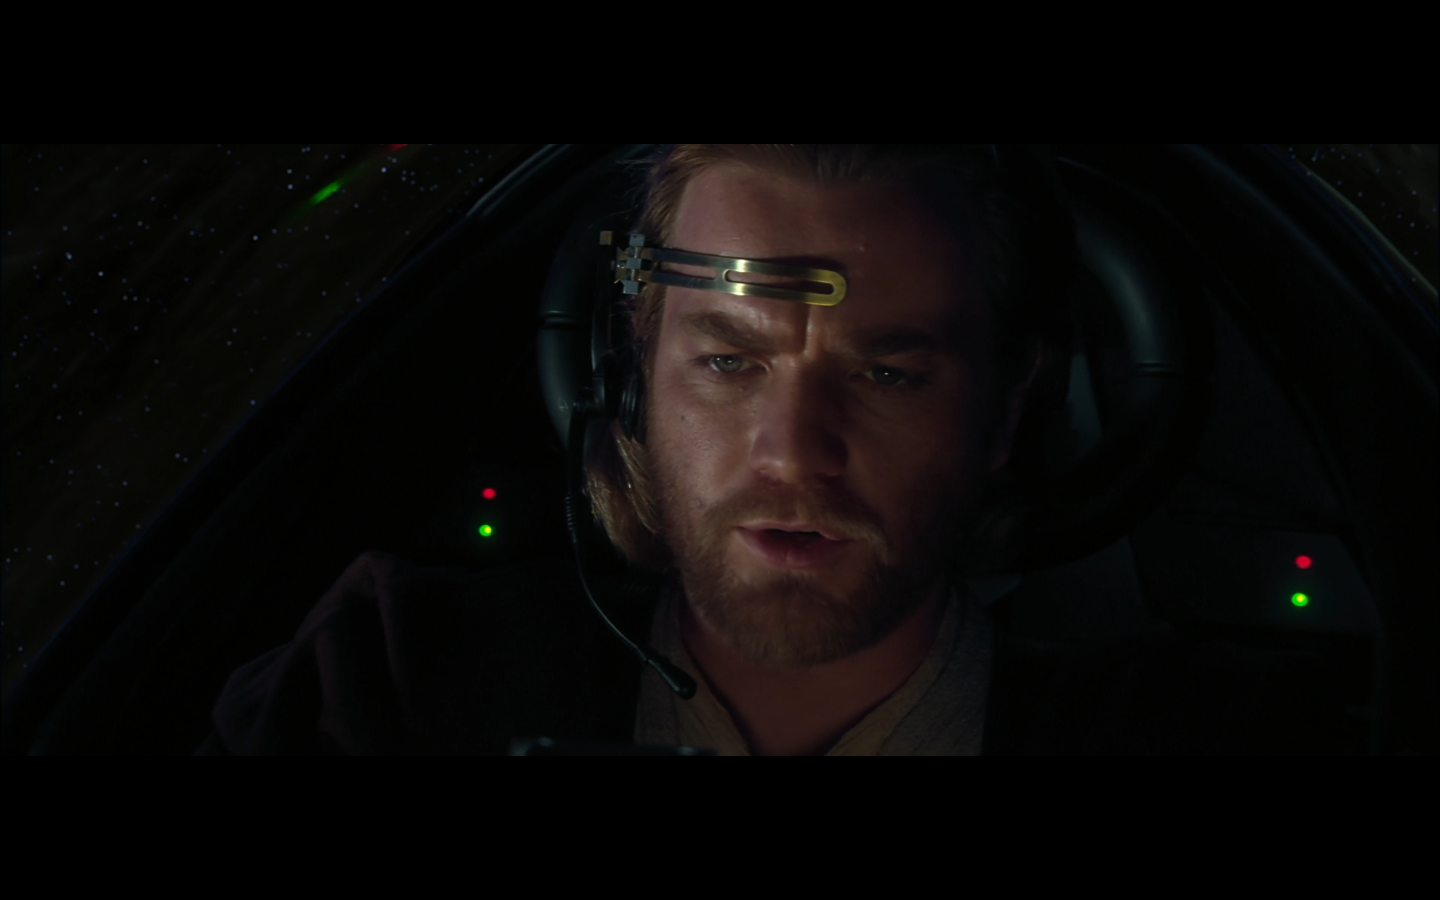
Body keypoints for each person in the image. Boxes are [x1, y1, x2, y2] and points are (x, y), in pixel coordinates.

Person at [204, 145, 1339, 755]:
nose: (794, 455)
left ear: (1006, 413)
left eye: (886, 375)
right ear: (627, 377)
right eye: (728, 361)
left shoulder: (1223, 737)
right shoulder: (387, 681)